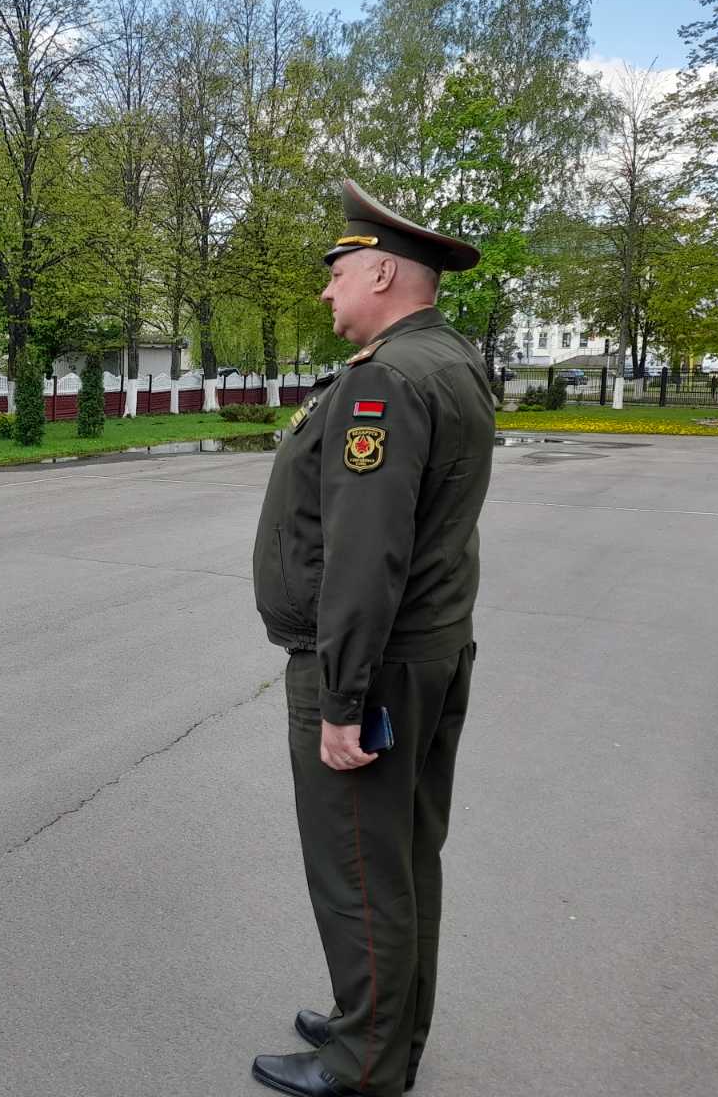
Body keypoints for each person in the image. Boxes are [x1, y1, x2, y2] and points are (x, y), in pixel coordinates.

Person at [250, 181, 495, 1097]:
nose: (328, 292)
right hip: (427, 649)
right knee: (399, 854)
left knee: (357, 863)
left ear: (383, 272)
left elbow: (366, 552)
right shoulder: (447, 360)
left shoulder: (384, 380)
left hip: (371, 663)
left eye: (339, 273)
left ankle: (363, 1065)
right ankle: (385, 1027)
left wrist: (343, 700)